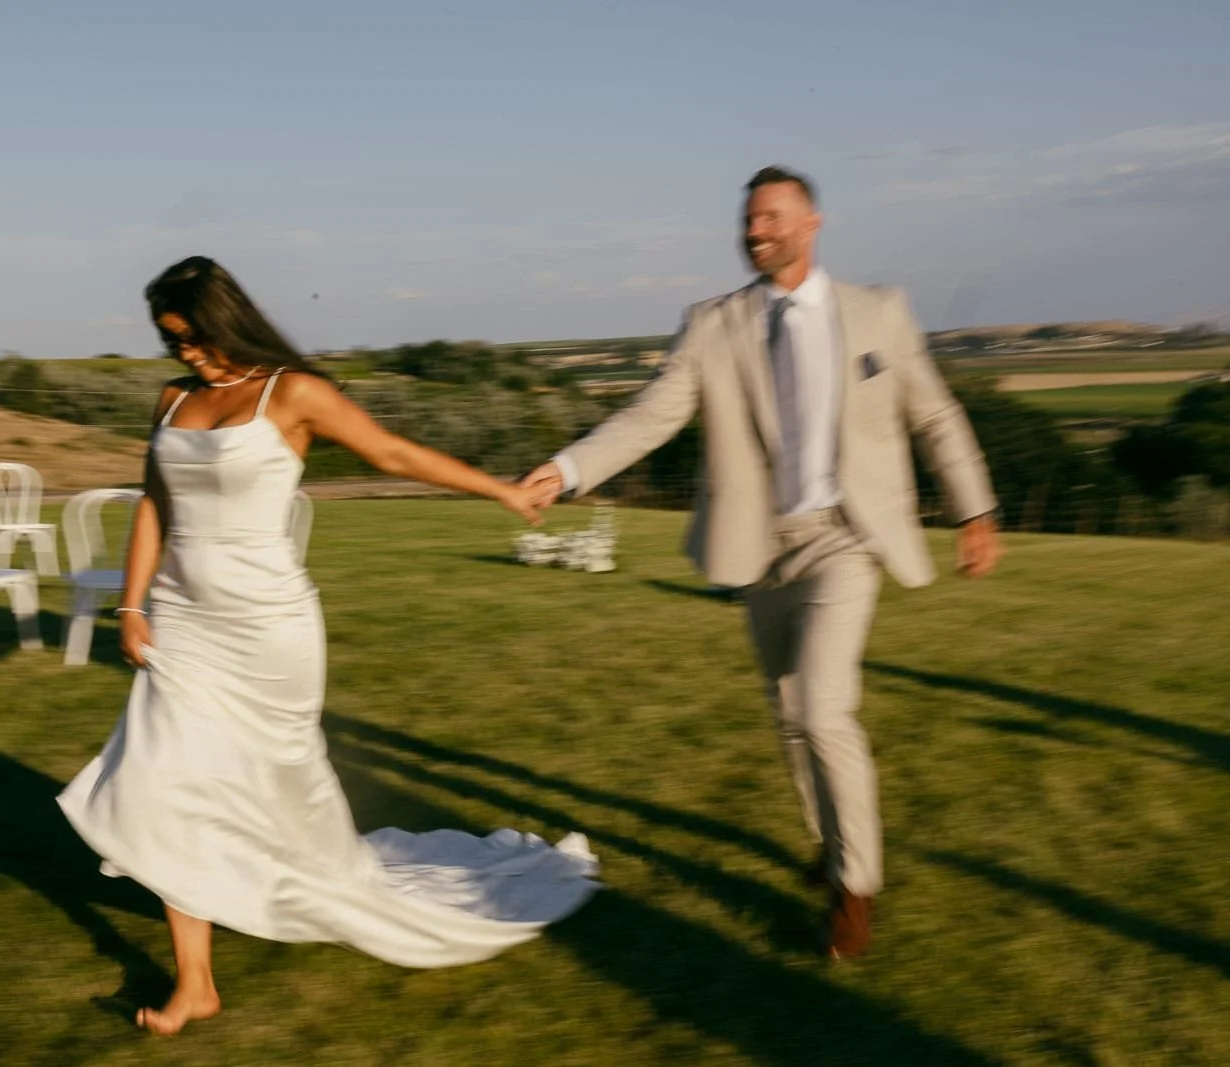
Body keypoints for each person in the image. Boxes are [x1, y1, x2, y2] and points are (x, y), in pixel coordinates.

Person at [59, 256, 599, 1034]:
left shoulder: (294, 393)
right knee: (165, 783)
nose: (186, 353)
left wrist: (502, 490)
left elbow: (395, 454)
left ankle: (296, 890)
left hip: (266, 629)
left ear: (224, 319)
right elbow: (155, 504)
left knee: (275, 790)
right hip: (183, 622)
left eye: (193, 336)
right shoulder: (173, 399)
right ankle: (196, 983)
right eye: (171, 341)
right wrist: (133, 604)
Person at [521, 166, 1002, 961]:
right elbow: (652, 415)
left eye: (772, 217)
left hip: (845, 537)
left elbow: (935, 413)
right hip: (759, 544)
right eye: (749, 220)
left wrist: (974, 510)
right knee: (787, 709)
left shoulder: (878, 311)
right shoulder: (711, 323)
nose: (755, 232)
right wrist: (568, 469)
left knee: (822, 708)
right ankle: (828, 841)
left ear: (812, 223)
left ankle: (855, 887)